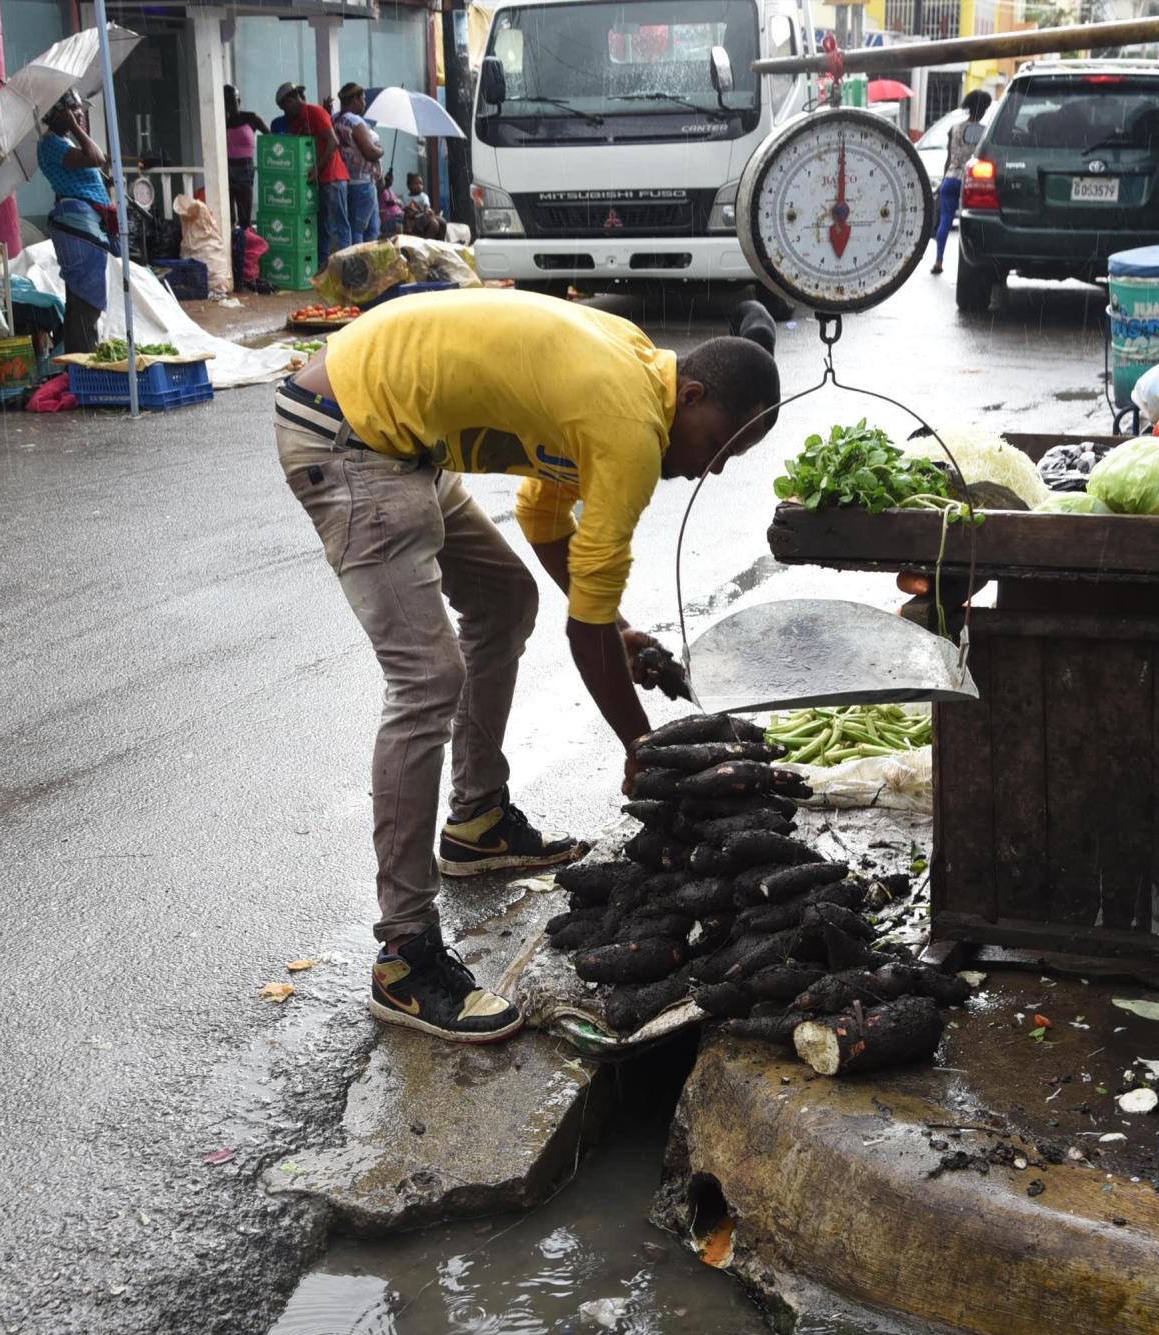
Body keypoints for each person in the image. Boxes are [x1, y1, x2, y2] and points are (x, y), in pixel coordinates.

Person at [275, 289, 781, 1043]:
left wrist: (623, 631)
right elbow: (585, 629)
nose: (711, 466)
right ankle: (405, 957)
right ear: (695, 393)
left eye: (731, 458)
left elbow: (546, 519)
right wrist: (642, 745)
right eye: (720, 442)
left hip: (398, 435)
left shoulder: (637, 375)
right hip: (349, 436)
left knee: (505, 598)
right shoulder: (630, 426)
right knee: (425, 679)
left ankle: (477, 820)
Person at [37, 90, 117, 356]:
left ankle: (79, 364)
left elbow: (95, 163)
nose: (80, 113)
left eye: (79, 108)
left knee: (81, 299)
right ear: (57, 113)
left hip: (83, 222)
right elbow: (96, 158)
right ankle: (84, 363)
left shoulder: (63, 143)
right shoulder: (51, 144)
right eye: (72, 108)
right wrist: (74, 127)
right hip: (78, 226)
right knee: (87, 300)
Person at [275, 82, 350, 266]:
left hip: (332, 178)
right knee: (322, 227)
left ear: (291, 101)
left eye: (285, 107)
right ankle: (322, 269)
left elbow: (333, 142)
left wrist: (316, 169)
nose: (285, 113)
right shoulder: (297, 121)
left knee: (338, 228)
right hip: (317, 181)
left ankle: (344, 271)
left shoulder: (315, 112)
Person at [930, 89, 992, 275]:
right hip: (972, 182)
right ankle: (971, 266)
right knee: (972, 225)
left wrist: (943, 181)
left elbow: (949, 158)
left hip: (950, 178)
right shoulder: (984, 131)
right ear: (983, 109)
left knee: (945, 221)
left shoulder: (954, 128)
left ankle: (938, 261)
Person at [333, 83, 386, 244]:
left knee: (368, 228)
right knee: (362, 230)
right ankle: (361, 265)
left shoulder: (336, 118)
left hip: (351, 180)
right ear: (355, 100)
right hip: (362, 184)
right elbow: (370, 152)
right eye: (362, 99)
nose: (364, 104)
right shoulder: (354, 121)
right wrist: (381, 150)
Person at [224, 85, 268, 230]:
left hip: (245, 169)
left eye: (234, 100)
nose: (231, 104)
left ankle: (247, 249)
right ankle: (233, 249)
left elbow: (270, 138)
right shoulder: (223, 122)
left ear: (239, 100)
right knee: (228, 217)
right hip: (227, 169)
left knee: (245, 218)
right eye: (227, 101)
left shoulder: (251, 118)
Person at [401, 171, 445, 241]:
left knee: (442, 221)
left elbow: (426, 208)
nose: (419, 186)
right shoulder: (405, 197)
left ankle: (441, 243)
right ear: (409, 186)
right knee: (434, 224)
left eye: (421, 184)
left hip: (423, 216)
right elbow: (404, 208)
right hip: (411, 220)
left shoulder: (423, 196)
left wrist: (425, 212)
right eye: (416, 183)